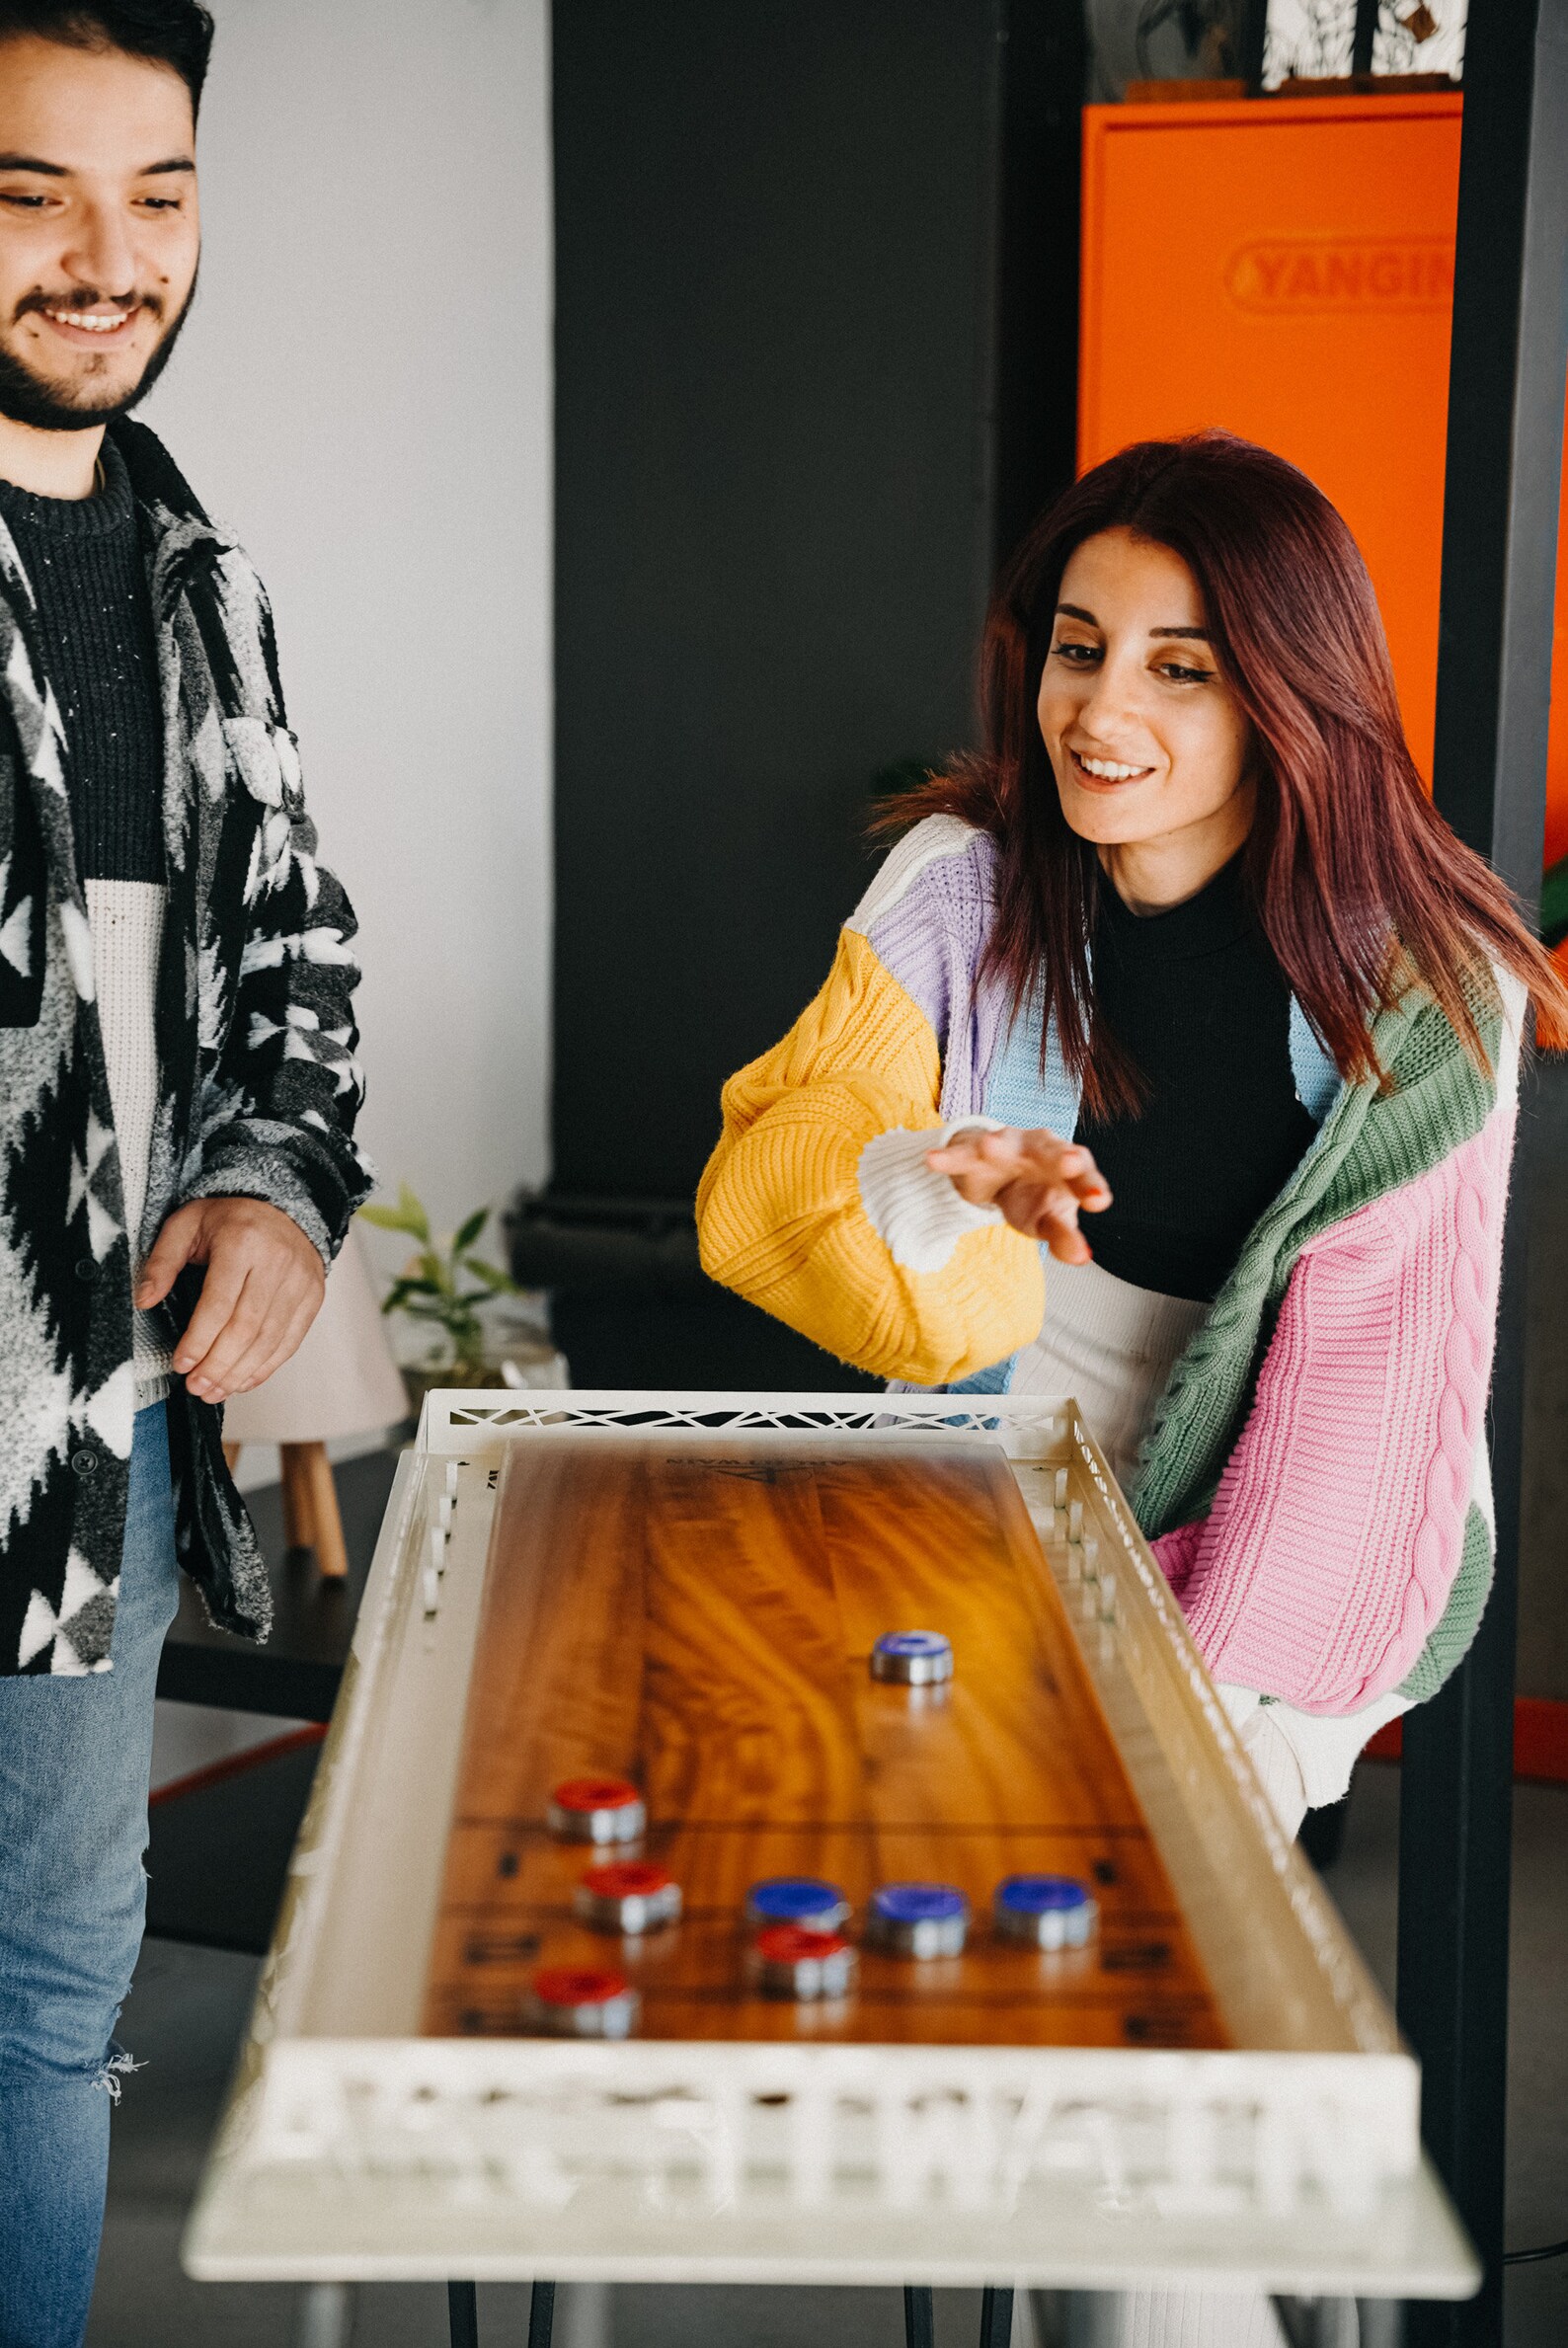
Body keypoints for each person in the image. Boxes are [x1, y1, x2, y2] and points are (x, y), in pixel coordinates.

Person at [699, 430, 1568, 1842]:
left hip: (1294, 1518)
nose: (1098, 711)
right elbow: (773, 1179)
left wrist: (1200, 1722)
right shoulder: (959, 887)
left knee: (1149, 1882)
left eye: (1181, 666)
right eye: (1078, 647)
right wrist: (940, 1174)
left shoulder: (1422, 983)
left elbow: (1375, 1402)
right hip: (993, 1473)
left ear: (1293, 692)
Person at [0, 9, 370, 2343]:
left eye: (156, 194)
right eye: (31, 193)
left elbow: (295, 972)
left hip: (91, 1423)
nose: (104, 258)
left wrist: (269, 1190)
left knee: (49, 1982)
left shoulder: (194, 574)